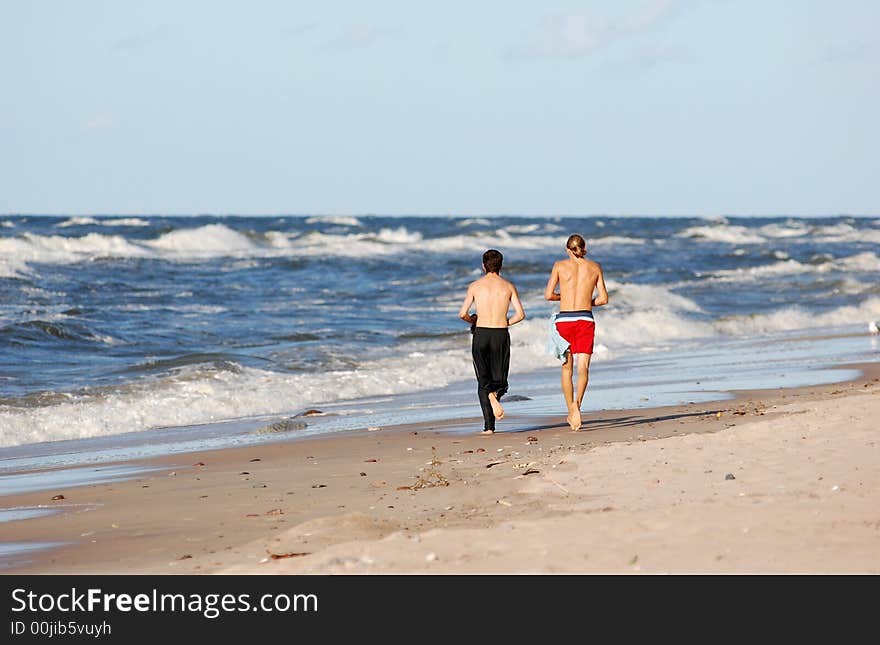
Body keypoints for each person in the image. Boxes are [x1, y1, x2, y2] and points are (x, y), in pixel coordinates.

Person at [544, 234, 609, 431]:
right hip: (585, 319)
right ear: (584, 248)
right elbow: (603, 299)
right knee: (583, 369)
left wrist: (563, 297)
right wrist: (585, 302)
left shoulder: (559, 265)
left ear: (567, 250)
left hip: (565, 320)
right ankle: (577, 405)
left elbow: (548, 295)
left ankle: (571, 411)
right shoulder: (595, 267)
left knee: (566, 368)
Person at [458, 249, 526, 435]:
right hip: (500, 334)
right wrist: (505, 322)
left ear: (483, 266)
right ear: (501, 266)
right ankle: (494, 395)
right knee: (500, 379)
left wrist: (474, 321)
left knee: (483, 378)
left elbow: (462, 313)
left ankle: (489, 427)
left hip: (481, 333)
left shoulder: (475, 286)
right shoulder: (508, 286)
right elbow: (520, 315)